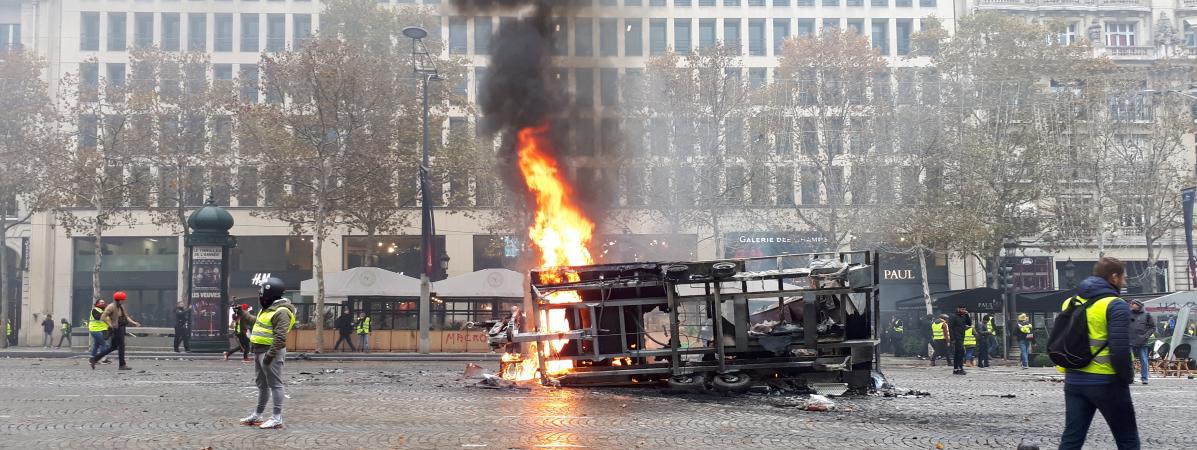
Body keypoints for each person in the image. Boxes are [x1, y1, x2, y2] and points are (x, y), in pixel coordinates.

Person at [1058, 257, 1139, 450]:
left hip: (1074, 380)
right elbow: (1119, 351)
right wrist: (1126, 377)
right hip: (1107, 381)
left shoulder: (1070, 302)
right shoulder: (1115, 304)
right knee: (1127, 439)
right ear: (1113, 277)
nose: (1124, 281)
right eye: (1122, 276)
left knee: (1071, 440)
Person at [237, 277, 295, 429]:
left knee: (276, 385)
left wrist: (269, 356)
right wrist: (243, 314)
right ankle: (258, 414)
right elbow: (258, 322)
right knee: (262, 386)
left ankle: (277, 417)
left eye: (262, 292)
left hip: (270, 353)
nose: (260, 295)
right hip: (259, 351)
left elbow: (281, 336)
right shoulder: (269, 308)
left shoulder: (282, 311)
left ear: (271, 293)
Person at [90, 291, 141, 370]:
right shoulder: (111, 307)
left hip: (121, 327)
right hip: (116, 329)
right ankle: (122, 365)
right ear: (119, 300)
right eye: (123, 299)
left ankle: (95, 359)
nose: (124, 301)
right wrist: (110, 325)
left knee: (113, 347)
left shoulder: (121, 306)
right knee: (121, 346)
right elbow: (103, 317)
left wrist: (134, 323)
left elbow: (126, 316)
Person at [1128, 300, 1154, 385]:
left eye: (1133, 304)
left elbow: (1152, 327)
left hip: (1142, 342)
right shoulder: (1128, 314)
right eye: (1131, 304)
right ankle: (1131, 378)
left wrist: (1145, 336)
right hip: (1130, 341)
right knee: (1130, 361)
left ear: (1138, 305)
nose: (1131, 305)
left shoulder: (1147, 315)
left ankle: (1144, 378)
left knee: (1144, 360)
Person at [948, 305, 973, 375]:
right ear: (958, 309)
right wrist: (952, 338)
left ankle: (955, 369)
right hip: (956, 337)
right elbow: (950, 328)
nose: (964, 310)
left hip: (962, 336)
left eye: (965, 309)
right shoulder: (953, 316)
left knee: (957, 353)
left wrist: (967, 315)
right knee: (961, 352)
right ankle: (960, 368)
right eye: (962, 309)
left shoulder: (964, 316)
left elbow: (969, 323)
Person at [87, 299, 110, 364]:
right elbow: (97, 317)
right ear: (97, 303)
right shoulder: (94, 310)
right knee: (104, 344)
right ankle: (103, 359)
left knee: (96, 345)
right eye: (101, 302)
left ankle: (92, 359)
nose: (103, 303)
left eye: (104, 302)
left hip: (102, 330)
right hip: (95, 329)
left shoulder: (104, 310)